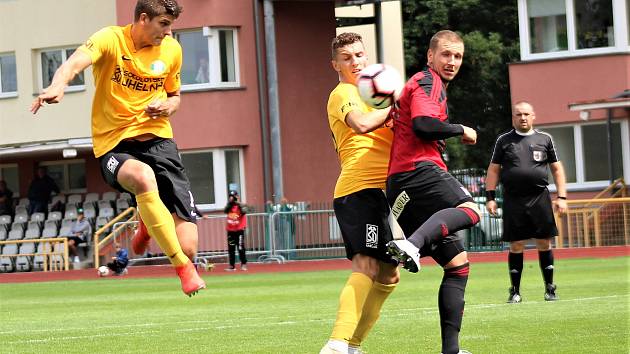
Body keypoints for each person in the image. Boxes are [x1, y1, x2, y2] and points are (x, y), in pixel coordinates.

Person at [30, 0, 205, 296]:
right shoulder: (110, 39)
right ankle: (182, 270)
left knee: (188, 247)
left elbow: (176, 96)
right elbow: (74, 62)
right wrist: (58, 84)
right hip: (115, 145)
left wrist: (167, 106)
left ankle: (150, 225)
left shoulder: (172, 49)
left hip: (159, 141)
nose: (168, 32)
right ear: (144, 18)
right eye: (163, 24)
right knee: (142, 178)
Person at [385, 30, 481, 354]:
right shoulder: (430, 82)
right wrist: (460, 129)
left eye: (457, 56)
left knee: (458, 265)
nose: (452, 61)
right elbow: (424, 126)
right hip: (418, 172)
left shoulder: (419, 83)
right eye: (446, 54)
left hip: (401, 183)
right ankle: (411, 245)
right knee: (471, 210)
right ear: (430, 56)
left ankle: (451, 351)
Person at [320, 32, 399, 354]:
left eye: (359, 55)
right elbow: (361, 124)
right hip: (358, 189)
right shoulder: (343, 93)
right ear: (335, 64)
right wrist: (397, 108)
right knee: (365, 264)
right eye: (347, 58)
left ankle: (353, 346)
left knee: (389, 275)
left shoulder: (380, 97)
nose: (355, 62)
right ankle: (336, 344)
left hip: (385, 194)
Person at [485, 101, 567, 303]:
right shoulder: (503, 141)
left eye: (526, 114)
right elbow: (494, 170)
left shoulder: (545, 138)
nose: (522, 117)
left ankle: (550, 288)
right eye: (518, 114)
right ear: (513, 117)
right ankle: (515, 291)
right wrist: (490, 198)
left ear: (533, 116)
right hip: (514, 199)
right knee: (516, 245)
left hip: (540, 197)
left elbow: (557, 169)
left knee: (544, 242)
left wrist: (562, 197)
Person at [224, 190, 248, 271]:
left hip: (239, 230)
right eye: (230, 196)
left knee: (241, 247)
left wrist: (238, 203)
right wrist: (230, 203)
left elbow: (244, 211)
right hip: (230, 230)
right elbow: (225, 211)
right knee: (231, 248)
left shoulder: (241, 205)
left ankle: (243, 264)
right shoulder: (229, 206)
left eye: (233, 196)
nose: (231, 198)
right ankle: (232, 265)